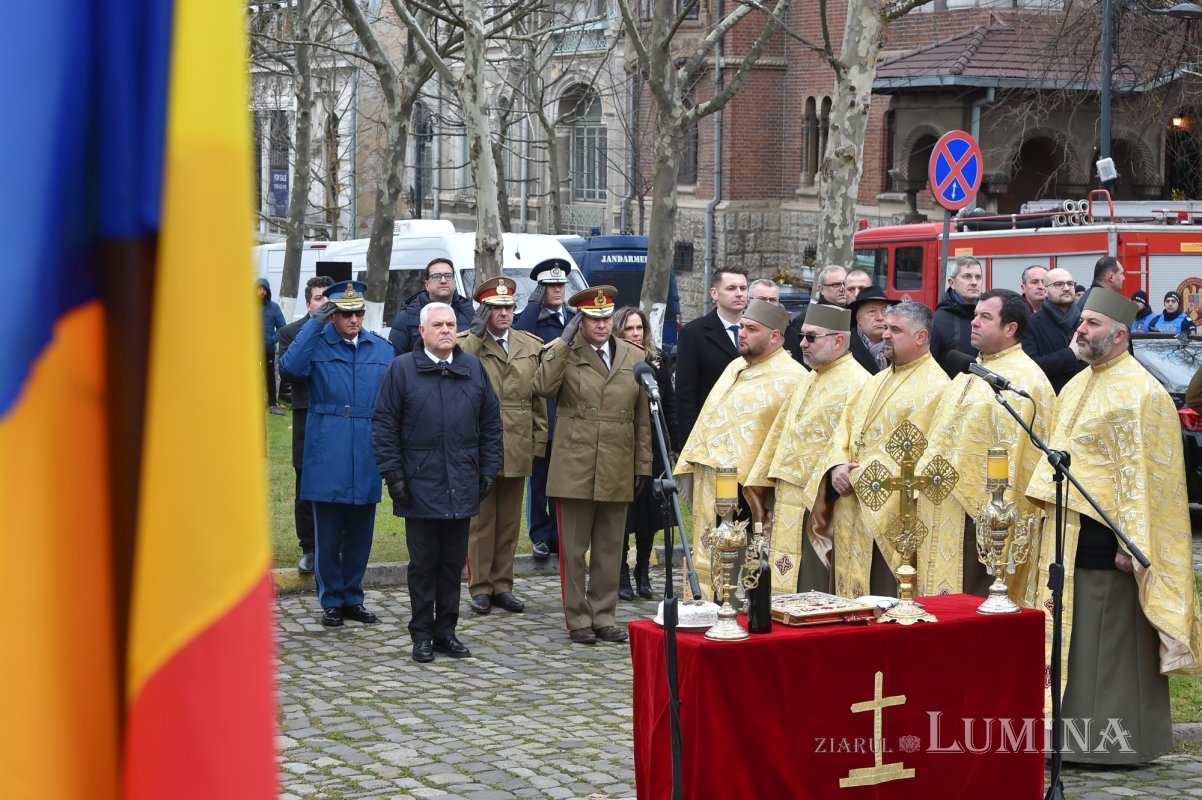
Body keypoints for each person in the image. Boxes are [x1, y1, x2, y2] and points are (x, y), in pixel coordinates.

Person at [1026, 288, 1202, 765]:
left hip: (1113, 544)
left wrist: (1134, 543)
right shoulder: (1079, 383)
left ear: (1120, 335)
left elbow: (1152, 479)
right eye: (1082, 322)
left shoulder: (1141, 392)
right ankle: (1069, 736)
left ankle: (1116, 743)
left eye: (1093, 324)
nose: (1081, 330)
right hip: (1070, 535)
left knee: (1111, 644)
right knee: (1078, 641)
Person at [373, 302, 503, 663]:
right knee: (423, 565)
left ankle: (446, 630)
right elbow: (384, 427)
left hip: (462, 480)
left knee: (452, 565)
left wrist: (489, 469)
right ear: (422, 331)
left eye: (451, 324)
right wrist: (394, 475)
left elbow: (491, 425)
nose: (446, 330)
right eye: (439, 325)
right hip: (419, 483)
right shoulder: (401, 370)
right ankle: (421, 634)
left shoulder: (472, 368)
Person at [917, 289, 1056, 599]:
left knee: (975, 603)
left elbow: (1026, 456)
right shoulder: (971, 371)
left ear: (1011, 328)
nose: (974, 323)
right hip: (942, 507)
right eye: (975, 315)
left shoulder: (1027, 381)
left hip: (985, 520)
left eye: (985, 317)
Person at [533, 286, 652, 645]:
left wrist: (642, 464)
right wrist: (563, 344)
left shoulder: (633, 354)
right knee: (572, 548)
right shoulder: (564, 353)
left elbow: (642, 417)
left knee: (609, 546)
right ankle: (578, 617)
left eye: (604, 318)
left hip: (617, 460)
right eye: (591, 319)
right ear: (579, 322)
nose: (600, 325)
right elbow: (541, 385)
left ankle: (604, 615)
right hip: (575, 461)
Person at [279, 280, 393, 628]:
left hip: (366, 446)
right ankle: (330, 600)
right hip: (328, 447)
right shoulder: (316, 345)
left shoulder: (382, 349)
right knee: (327, 533)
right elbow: (289, 367)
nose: (354, 320)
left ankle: (352, 597)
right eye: (345, 314)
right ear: (334, 315)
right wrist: (316, 323)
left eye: (358, 312)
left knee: (360, 531)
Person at [675, 299, 807, 599]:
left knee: (743, 568)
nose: (741, 334)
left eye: (751, 329)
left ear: (775, 336)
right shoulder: (735, 367)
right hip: (712, 484)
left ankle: (737, 617)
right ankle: (707, 611)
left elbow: (782, 441)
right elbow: (711, 417)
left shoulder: (794, 378)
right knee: (710, 557)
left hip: (752, 493)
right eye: (742, 327)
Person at [821, 300, 949, 598]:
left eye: (895, 329)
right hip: (850, 508)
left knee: (880, 599)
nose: (886, 335)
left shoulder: (937, 388)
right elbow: (845, 429)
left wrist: (859, 476)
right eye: (885, 328)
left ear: (921, 337)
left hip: (889, 512)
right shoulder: (875, 381)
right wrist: (837, 466)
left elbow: (920, 455)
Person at [744, 304, 869, 593]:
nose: (801, 344)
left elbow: (857, 445)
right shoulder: (808, 378)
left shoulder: (860, 382)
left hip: (821, 504)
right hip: (786, 499)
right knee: (780, 579)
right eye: (802, 336)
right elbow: (781, 436)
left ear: (838, 340)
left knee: (811, 585)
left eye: (811, 338)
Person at [457, 277, 548, 616]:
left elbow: (537, 397)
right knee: (481, 521)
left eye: (508, 307)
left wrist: (539, 441)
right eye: (496, 308)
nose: (504, 313)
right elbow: (456, 368)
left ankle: (502, 584)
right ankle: (480, 586)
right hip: (482, 441)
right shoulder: (469, 344)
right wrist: (477, 335)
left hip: (519, 441)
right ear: (484, 311)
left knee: (509, 521)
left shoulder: (529, 344)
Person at [612, 306, 678, 601]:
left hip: (654, 444)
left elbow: (670, 405)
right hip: (623, 446)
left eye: (640, 328)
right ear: (619, 332)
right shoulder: (613, 360)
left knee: (651, 515)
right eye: (629, 329)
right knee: (625, 514)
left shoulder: (658, 361)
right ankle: (621, 574)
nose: (636, 334)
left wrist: (673, 444)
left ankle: (642, 573)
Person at [514, 257, 575, 562]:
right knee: (539, 474)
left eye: (561, 284)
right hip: (542, 404)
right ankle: (540, 534)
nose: (557, 290)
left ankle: (559, 533)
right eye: (550, 285)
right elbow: (520, 339)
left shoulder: (574, 319)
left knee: (564, 475)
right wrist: (532, 306)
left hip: (570, 402)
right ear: (540, 289)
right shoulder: (534, 321)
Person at [277, 274, 334, 574]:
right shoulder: (290, 332)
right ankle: (309, 547)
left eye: (328, 297)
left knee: (336, 478)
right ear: (308, 302)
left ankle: (333, 544)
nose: (324, 303)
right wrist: (314, 330)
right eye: (318, 298)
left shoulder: (342, 329)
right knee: (306, 483)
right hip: (308, 412)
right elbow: (290, 373)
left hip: (338, 414)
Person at [675, 265, 749, 443]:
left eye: (743, 288)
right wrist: (689, 444)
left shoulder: (759, 331)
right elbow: (685, 396)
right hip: (712, 434)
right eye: (731, 288)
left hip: (750, 432)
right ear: (714, 293)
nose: (739, 293)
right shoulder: (693, 333)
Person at [388, 257, 474, 357]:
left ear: (454, 283)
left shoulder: (469, 314)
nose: (443, 280)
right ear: (427, 285)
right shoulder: (407, 317)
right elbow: (395, 358)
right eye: (436, 276)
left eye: (448, 276)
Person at [1022, 267, 1086, 393]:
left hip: (1084, 398)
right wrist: (1070, 355)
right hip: (1049, 400)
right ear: (1045, 291)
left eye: (1070, 284)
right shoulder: (1030, 324)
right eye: (1059, 284)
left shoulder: (1085, 321)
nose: (1066, 288)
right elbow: (1031, 367)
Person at [930, 255, 983, 377]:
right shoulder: (936, 322)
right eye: (967, 277)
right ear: (952, 283)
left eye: (978, 277)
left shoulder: (991, 318)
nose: (974, 282)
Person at [749, 277, 804, 364]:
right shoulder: (738, 330)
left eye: (772, 300)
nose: (768, 304)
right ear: (749, 302)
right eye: (762, 299)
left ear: (778, 302)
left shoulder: (790, 334)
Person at [847, 285, 897, 374]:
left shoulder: (899, 344)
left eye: (884, 311)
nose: (880, 318)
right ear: (858, 319)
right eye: (872, 311)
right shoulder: (845, 347)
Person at [258, 277, 287, 415]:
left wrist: (271, 340)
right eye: (258, 289)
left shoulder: (274, 307)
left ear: (267, 291)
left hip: (268, 349)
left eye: (264, 289)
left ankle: (273, 405)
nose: (261, 292)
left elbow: (282, 326)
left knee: (270, 377)